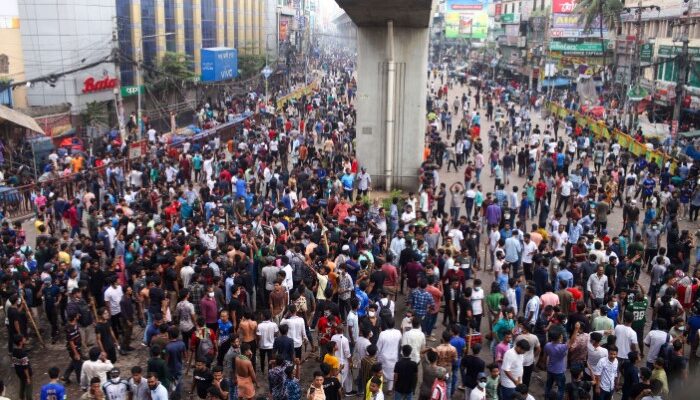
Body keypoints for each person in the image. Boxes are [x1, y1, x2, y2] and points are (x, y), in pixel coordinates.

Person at [376, 318, 403, 393]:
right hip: (394, 357)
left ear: (386, 324)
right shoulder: (398, 333)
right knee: (392, 373)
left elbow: (378, 347)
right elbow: (401, 344)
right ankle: (389, 390)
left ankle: (380, 388)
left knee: (381, 373)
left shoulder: (382, 334)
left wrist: (376, 356)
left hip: (383, 357)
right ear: (394, 324)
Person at [11, 335, 32, 400]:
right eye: (23, 339)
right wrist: (28, 377)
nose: (25, 339)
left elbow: (14, 363)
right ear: (20, 342)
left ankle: (21, 398)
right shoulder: (23, 353)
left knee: (22, 385)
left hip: (19, 373)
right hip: (25, 374)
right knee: (28, 388)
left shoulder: (14, 351)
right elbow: (25, 367)